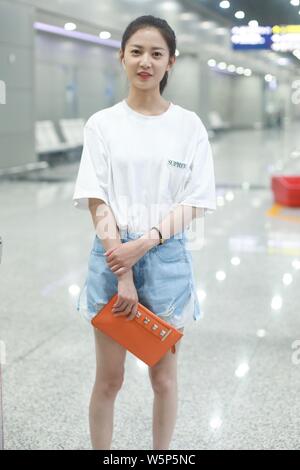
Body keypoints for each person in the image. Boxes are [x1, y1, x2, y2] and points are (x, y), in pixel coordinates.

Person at [72, 15, 216, 450]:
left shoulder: (188, 126)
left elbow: (195, 199)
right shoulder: (102, 124)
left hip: (167, 258)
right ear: (121, 57)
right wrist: (123, 269)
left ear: (171, 61)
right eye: (136, 51)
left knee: (165, 380)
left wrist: (146, 243)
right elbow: (97, 199)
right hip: (112, 254)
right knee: (109, 380)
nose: (145, 62)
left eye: (156, 53)